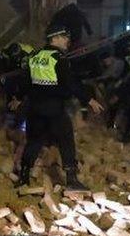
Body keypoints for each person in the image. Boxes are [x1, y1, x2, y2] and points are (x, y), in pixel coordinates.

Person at [14, 25, 103, 190]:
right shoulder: (59, 59)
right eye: (63, 37)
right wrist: (89, 99)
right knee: (66, 141)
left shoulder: (34, 57)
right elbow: (71, 84)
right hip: (54, 108)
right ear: (54, 39)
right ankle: (71, 179)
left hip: (35, 108)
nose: (67, 40)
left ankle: (24, 177)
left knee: (33, 142)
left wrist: (19, 99)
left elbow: (24, 82)